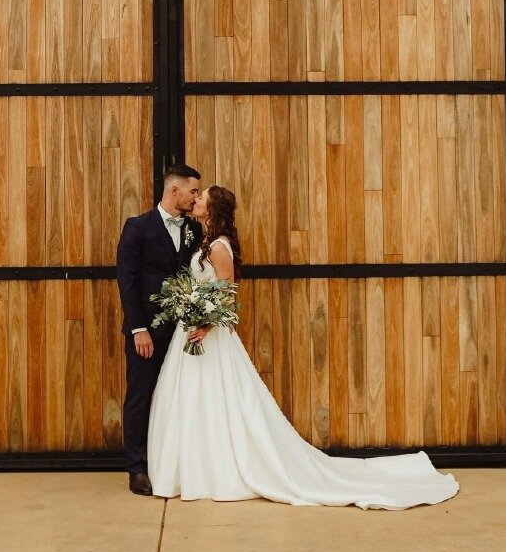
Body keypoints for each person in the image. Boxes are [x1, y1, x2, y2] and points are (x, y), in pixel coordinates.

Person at [147, 185, 460, 510]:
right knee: (197, 401)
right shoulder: (205, 243)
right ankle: (196, 467)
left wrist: (207, 325)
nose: (195, 201)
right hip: (195, 333)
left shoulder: (218, 248)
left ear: (213, 209)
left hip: (210, 336)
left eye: (202, 198)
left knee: (219, 400)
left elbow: (228, 296)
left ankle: (219, 470)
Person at [115, 164, 203, 496]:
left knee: (179, 396)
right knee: (140, 395)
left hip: (182, 331)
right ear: (174, 190)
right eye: (193, 191)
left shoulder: (194, 230)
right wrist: (139, 329)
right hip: (146, 331)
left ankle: (173, 463)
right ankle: (137, 468)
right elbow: (128, 281)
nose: (196, 197)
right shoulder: (137, 228)